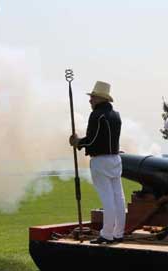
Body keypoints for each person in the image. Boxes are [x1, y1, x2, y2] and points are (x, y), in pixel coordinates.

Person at [69, 81, 125, 244]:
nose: (90, 100)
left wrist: (78, 142)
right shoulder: (116, 115)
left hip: (100, 161)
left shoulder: (96, 115)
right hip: (115, 158)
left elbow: (92, 141)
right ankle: (118, 233)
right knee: (118, 198)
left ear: (100, 98)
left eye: (92, 97)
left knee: (108, 199)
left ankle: (107, 234)